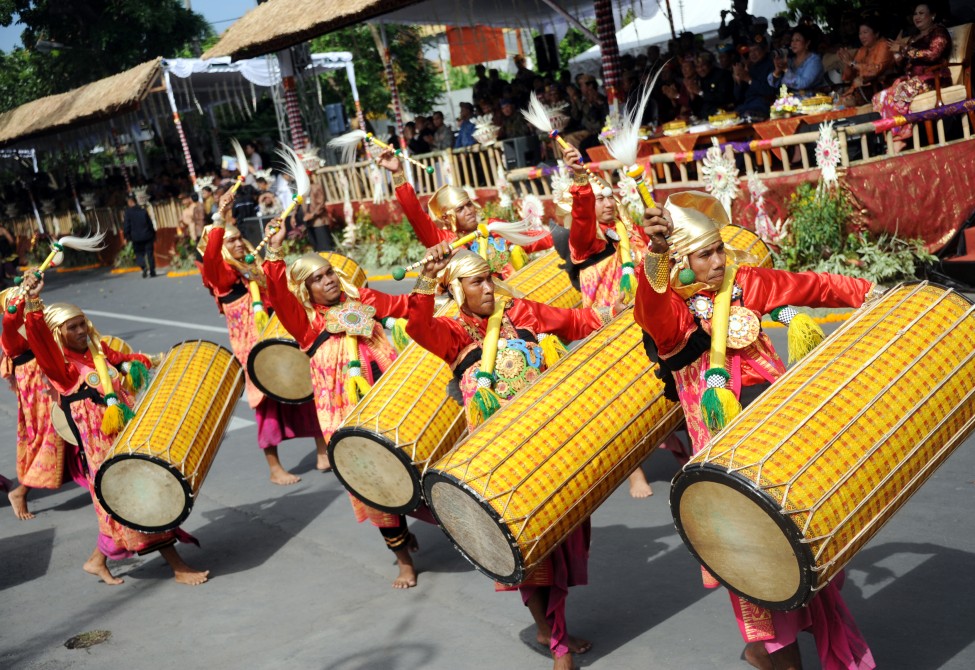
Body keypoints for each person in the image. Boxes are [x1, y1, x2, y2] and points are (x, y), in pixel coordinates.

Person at [634, 191, 877, 670]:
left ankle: (773, 649)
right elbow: (652, 305)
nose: (719, 261)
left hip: (783, 439)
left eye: (720, 249)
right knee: (759, 575)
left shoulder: (743, 284)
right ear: (682, 263)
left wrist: (871, 293)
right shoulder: (673, 320)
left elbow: (811, 285)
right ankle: (770, 653)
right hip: (731, 460)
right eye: (705, 254)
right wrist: (656, 258)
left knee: (818, 558)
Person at [406, 246, 609, 670]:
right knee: (528, 551)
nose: (487, 288)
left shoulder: (523, 315)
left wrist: (620, 310)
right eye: (476, 282)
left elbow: (575, 321)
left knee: (562, 538)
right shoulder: (453, 332)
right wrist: (425, 282)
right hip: (500, 456)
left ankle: (550, 627)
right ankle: (558, 645)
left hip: (546, 443)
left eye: (489, 279)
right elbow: (416, 326)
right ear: (458, 290)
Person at [261, 228, 428, 589]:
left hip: (391, 397)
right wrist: (274, 254)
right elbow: (277, 293)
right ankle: (403, 561)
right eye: (317, 279)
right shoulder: (305, 323)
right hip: (347, 414)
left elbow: (403, 307)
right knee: (376, 483)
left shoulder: (362, 298)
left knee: (419, 464)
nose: (328, 281)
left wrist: (432, 280)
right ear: (306, 291)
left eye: (329, 273)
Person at [18, 284, 208, 585]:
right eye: (73, 327)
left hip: (126, 437)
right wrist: (32, 303)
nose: (82, 330)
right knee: (137, 507)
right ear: (58, 334)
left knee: (122, 510)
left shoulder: (97, 351)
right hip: (102, 452)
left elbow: (124, 359)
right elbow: (39, 341)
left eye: (83, 323)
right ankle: (178, 567)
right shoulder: (61, 367)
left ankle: (97, 561)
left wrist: (144, 362)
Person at [561, 144, 688, 497]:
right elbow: (582, 215)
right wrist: (580, 179)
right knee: (619, 402)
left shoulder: (628, 232)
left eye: (607, 195)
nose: (604, 202)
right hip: (604, 328)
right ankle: (634, 474)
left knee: (662, 383)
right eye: (597, 198)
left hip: (640, 322)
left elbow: (659, 252)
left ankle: (679, 446)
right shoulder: (584, 244)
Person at [200, 194, 328, 485]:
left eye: (238, 239)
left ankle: (323, 450)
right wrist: (220, 219)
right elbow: (209, 256)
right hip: (253, 352)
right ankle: (274, 468)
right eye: (229, 242)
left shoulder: (251, 271)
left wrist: (274, 245)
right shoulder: (221, 277)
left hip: (279, 340)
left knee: (306, 389)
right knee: (267, 407)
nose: (236, 244)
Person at [377, 150, 553, 279]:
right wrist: (397, 172)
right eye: (460, 209)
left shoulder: (493, 226)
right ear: (446, 218)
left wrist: (567, 234)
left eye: (469, 205)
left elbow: (532, 239)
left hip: (516, 302)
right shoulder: (443, 241)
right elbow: (414, 213)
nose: (469, 211)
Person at [1, 288, 85, 520]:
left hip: (46, 372)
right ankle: (21, 490)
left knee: (74, 425)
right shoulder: (11, 328)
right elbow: (14, 319)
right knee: (51, 433)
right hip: (35, 382)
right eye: (18, 301)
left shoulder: (28, 318)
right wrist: (25, 296)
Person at [873, 3, 952, 146]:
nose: (917, 17)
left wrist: (904, 49)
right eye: (915, 14)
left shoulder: (939, 32)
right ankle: (890, 138)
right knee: (880, 97)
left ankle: (902, 140)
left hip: (934, 78)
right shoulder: (914, 37)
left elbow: (932, 55)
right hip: (913, 80)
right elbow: (903, 64)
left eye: (922, 13)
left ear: (932, 15)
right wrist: (898, 55)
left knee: (900, 93)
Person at [838, 18, 895, 107]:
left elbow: (875, 70)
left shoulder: (884, 45)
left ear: (876, 33)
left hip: (880, 91)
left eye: (865, 32)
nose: (862, 36)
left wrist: (852, 63)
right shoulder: (862, 50)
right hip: (860, 91)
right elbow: (848, 76)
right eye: (860, 33)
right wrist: (847, 62)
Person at [769, 26, 827, 94]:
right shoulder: (790, 60)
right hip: (791, 100)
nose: (793, 43)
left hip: (812, 100)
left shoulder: (815, 61)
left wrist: (785, 69)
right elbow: (773, 84)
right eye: (792, 40)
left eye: (797, 40)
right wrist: (777, 71)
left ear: (807, 43)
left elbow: (803, 84)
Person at [734, 33, 777, 118]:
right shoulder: (751, 67)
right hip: (748, 104)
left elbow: (769, 91)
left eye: (756, 50)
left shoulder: (772, 64)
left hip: (764, 104)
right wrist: (738, 81)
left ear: (765, 49)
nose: (752, 54)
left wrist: (748, 79)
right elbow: (738, 97)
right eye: (750, 51)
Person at [689, 51, 736, 117]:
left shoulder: (722, 75)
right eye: (697, 67)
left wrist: (700, 93)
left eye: (703, 66)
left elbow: (723, 98)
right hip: (705, 114)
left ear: (710, 64)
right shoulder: (698, 79)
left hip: (724, 112)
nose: (700, 69)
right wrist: (692, 96)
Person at [122, 193, 157, 278]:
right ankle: (152, 271)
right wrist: (153, 234)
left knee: (139, 254)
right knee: (150, 253)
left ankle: (144, 267)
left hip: (136, 237)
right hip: (147, 235)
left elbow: (126, 225)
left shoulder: (128, 212)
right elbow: (150, 224)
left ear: (130, 202)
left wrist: (126, 236)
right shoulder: (143, 210)